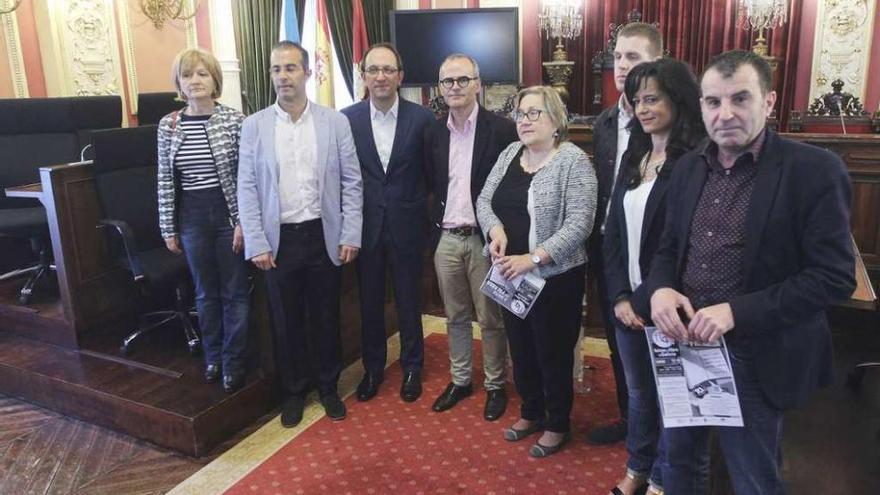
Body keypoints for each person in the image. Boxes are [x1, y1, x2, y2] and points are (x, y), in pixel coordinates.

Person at [647, 50, 855, 494]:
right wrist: (660, 290)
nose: (725, 115)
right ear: (700, 105)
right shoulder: (686, 168)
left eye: (740, 99)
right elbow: (666, 250)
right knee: (679, 465)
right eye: (713, 102)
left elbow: (834, 276)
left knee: (753, 479)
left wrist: (736, 312)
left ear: (770, 101)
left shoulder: (814, 170)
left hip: (756, 352)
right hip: (685, 346)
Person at [237, 41, 363, 428]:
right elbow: (247, 187)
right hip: (278, 242)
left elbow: (352, 182)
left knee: (326, 316)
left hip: (323, 234)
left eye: (291, 68)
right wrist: (256, 240)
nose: (283, 76)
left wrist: (351, 233)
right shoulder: (254, 125)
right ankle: (293, 393)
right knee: (285, 320)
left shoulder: (334, 122)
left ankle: (328, 387)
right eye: (276, 69)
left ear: (308, 72)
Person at [602, 58, 706, 495]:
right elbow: (613, 235)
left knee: (673, 399)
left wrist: (641, 299)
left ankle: (663, 478)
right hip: (628, 303)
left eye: (653, 99)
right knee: (640, 395)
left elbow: (681, 247)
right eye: (637, 100)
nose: (643, 109)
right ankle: (637, 470)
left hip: (667, 308)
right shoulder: (636, 154)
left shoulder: (696, 159)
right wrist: (620, 297)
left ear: (678, 100)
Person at [476, 86, 597, 457]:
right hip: (510, 275)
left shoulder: (573, 161)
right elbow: (484, 200)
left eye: (534, 113)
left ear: (556, 121)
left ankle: (558, 423)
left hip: (555, 278)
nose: (524, 121)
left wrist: (534, 258)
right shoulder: (511, 152)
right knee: (522, 349)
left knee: (553, 352)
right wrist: (494, 231)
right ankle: (531, 412)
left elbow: (580, 224)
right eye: (520, 114)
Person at [424, 53, 518, 421]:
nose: (455, 87)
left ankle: (496, 384)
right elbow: (428, 185)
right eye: (448, 81)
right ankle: (461, 380)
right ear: (440, 87)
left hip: (485, 241)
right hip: (446, 238)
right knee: (455, 316)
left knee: (491, 317)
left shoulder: (501, 129)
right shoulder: (432, 131)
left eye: (463, 80)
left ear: (478, 83)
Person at [341, 43, 435, 403]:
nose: (380, 76)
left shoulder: (423, 118)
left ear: (400, 76)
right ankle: (373, 369)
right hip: (365, 228)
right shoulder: (346, 120)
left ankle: (413, 367)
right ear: (364, 76)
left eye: (387, 70)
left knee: (410, 302)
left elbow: (432, 175)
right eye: (373, 70)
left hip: (408, 227)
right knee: (369, 303)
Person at [588, 22, 664, 445]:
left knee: (660, 346)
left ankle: (662, 435)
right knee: (620, 343)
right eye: (618, 56)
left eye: (633, 57)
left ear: (657, 63)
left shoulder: (676, 122)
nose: (621, 65)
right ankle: (630, 420)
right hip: (607, 249)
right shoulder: (603, 123)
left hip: (655, 255)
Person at [157, 48, 249, 393]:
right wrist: (168, 226)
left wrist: (243, 221)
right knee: (205, 292)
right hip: (192, 216)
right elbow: (165, 179)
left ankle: (234, 360)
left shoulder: (235, 121)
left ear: (214, 81)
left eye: (202, 74)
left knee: (235, 292)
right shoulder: (170, 124)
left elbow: (245, 178)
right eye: (187, 75)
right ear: (179, 83)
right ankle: (213, 357)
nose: (194, 81)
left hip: (227, 214)